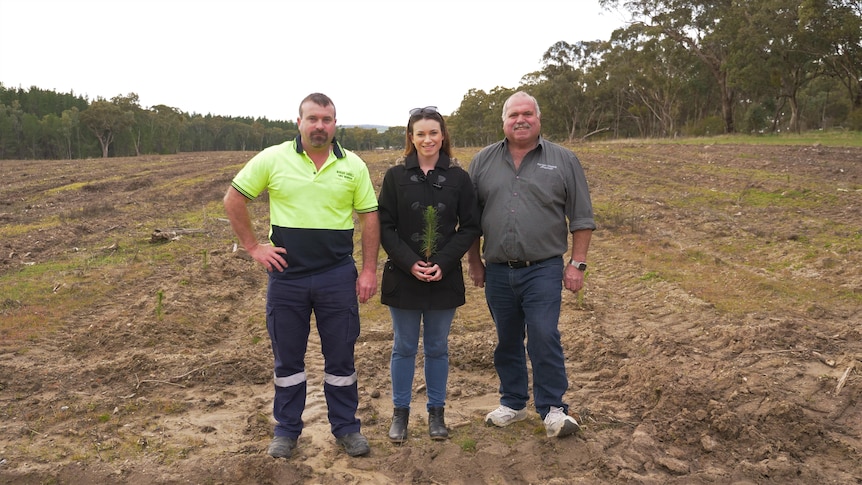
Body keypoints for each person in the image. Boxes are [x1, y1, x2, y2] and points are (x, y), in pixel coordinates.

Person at [223, 93, 380, 458]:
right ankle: (287, 430)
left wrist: (369, 269)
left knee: (341, 359)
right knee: (288, 362)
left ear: (335, 124)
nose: (320, 126)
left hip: (337, 277)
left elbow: (369, 216)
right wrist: (253, 247)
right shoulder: (274, 158)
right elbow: (233, 199)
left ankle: (346, 427)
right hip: (287, 279)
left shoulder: (353, 165)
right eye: (313, 119)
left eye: (327, 119)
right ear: (299, 122)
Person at [466, 91, 595, 438]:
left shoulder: (564, 160)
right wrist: (475, 262)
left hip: (543, 267)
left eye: (527, 114)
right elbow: (471, 221)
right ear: (504, 122)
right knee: (506, 339)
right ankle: (513, 403)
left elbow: (581, 217)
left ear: (538, 119)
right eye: (513, 115)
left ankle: (553, 408)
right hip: (496, 270)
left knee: (543, 334)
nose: (520, 120)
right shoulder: (482, 161)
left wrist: (577, 264)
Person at [377, 106, 481, 443]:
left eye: (433, 133)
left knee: (437, 347)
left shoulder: (457, 178)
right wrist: (410, 263)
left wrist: (444, 262)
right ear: (411, 137)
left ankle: (437, 414)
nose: (427, 139)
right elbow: (386, 227)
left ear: (443, 136)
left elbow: (470, 227)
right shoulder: (395, 177)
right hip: (404, 276)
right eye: (420, 133)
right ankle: (400, 415)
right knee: (404, 346)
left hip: (443, 276)